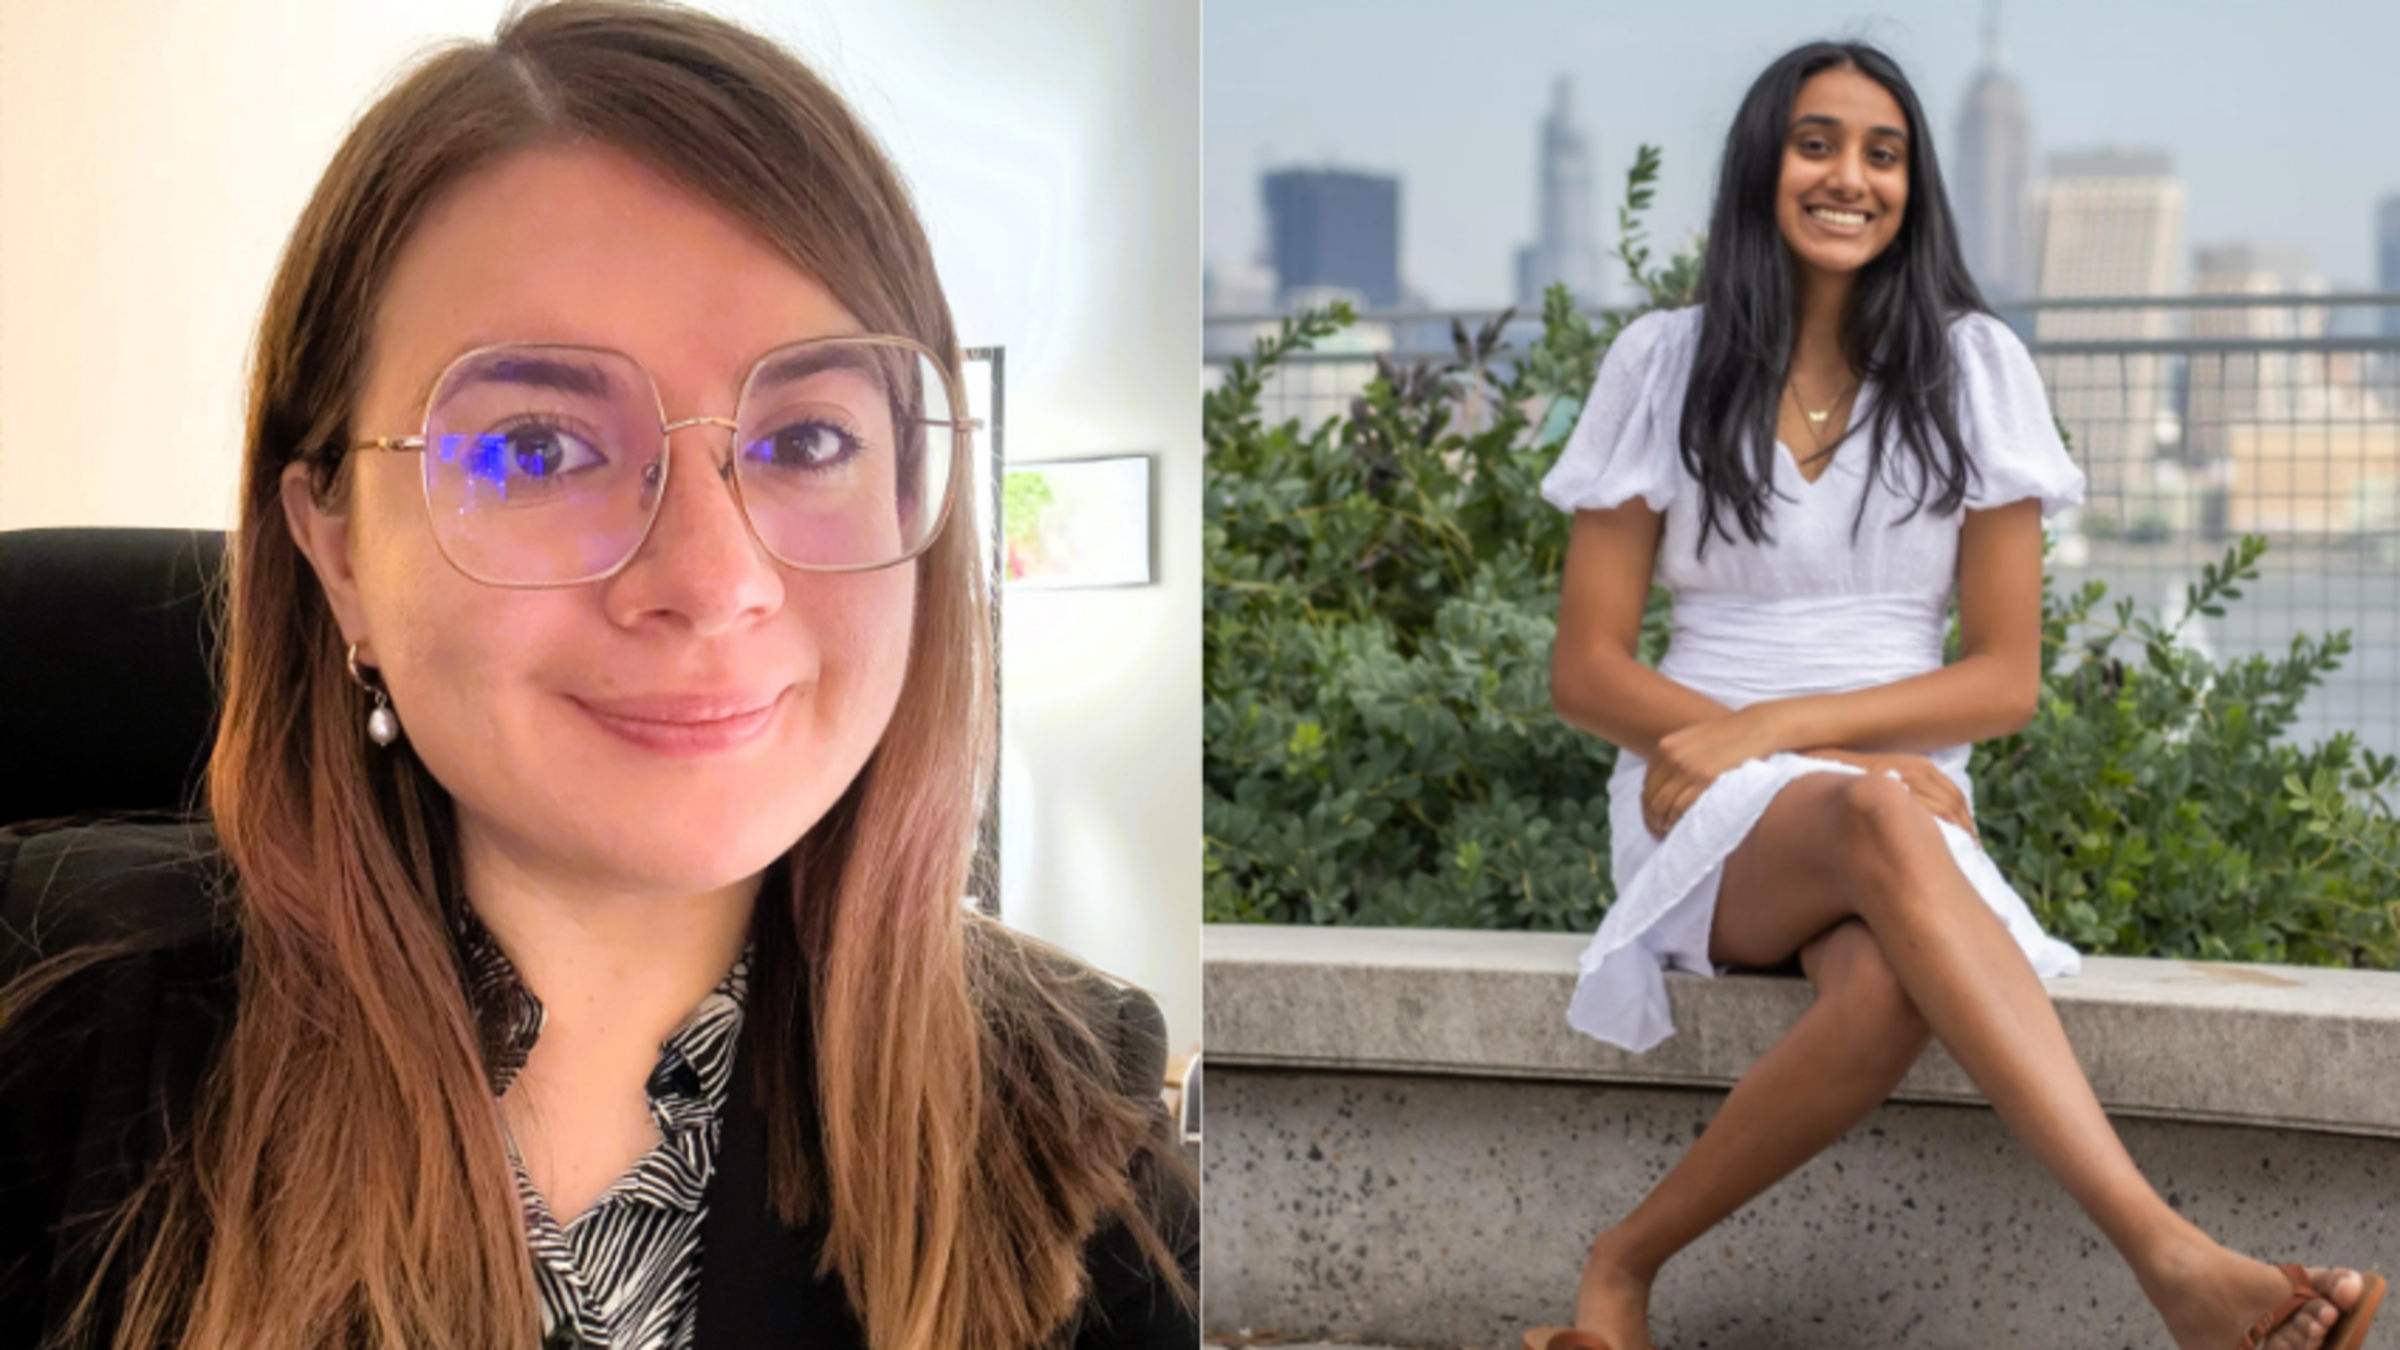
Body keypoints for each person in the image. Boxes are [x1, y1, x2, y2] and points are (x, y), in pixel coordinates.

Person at [0, 4, 1195, 1349]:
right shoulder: (51, 1066)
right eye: (533, 451)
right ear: (337, 552)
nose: (710, 576)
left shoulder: (1077, 1125)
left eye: (807, 436)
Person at [1525, 40, 2382, 1350]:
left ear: (1916, 187)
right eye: (1818, 143)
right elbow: (1584, 666)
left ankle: (1619, 1268)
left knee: (1878, 987)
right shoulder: (1663, 361)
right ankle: (2176, 1264)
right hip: (1700, 797)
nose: (1850, 177)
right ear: (1764, 164)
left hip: (1883, 786)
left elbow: (2001, 676)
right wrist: (1748, 741)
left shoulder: (1976, 367)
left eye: (1884, 153)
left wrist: (1784, 730)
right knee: (1879, 816)